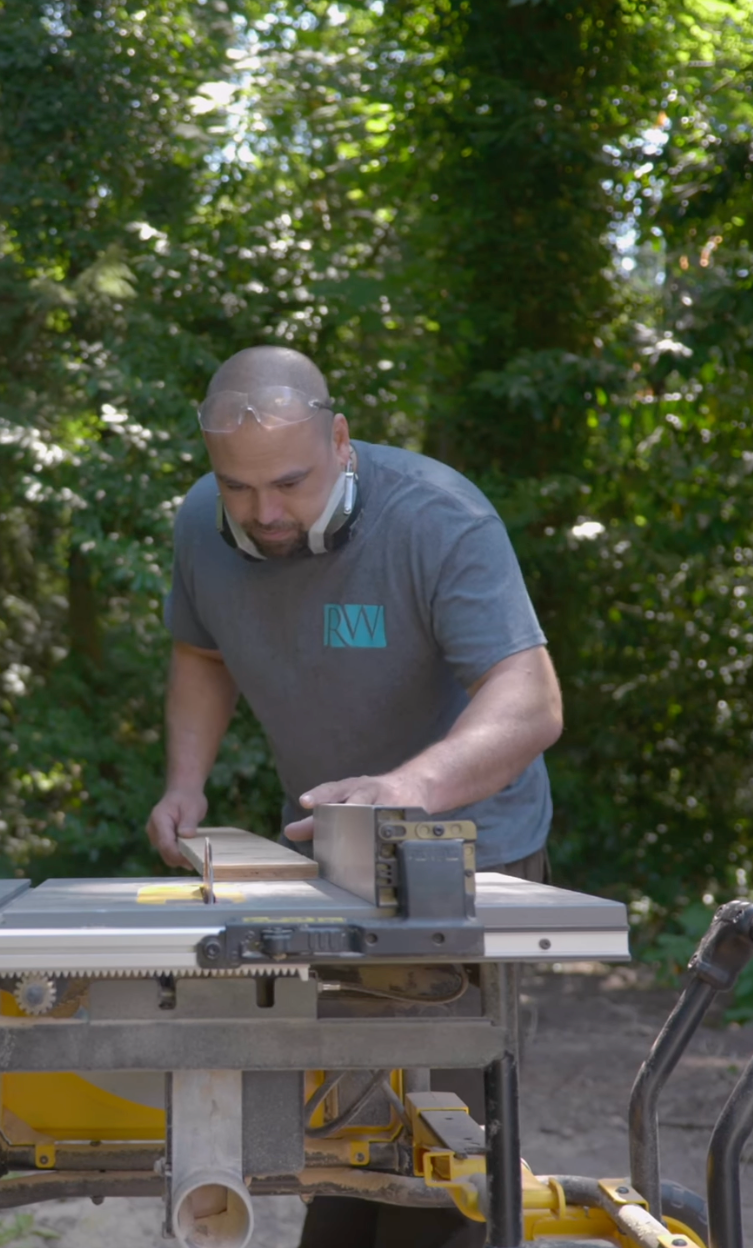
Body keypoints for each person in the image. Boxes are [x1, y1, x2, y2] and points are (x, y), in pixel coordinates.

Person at [145, 344, 563, 1248]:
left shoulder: (437, 518)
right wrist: (186, 783)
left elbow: (531, 703)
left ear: (340, 441)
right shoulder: (201, 526)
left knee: (442, 1146)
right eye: (238, 487)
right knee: (349, 1116)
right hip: (332, 862)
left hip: (467, 853)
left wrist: (408, 788)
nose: (265, 514)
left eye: (289, 484)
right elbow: (202, 652)